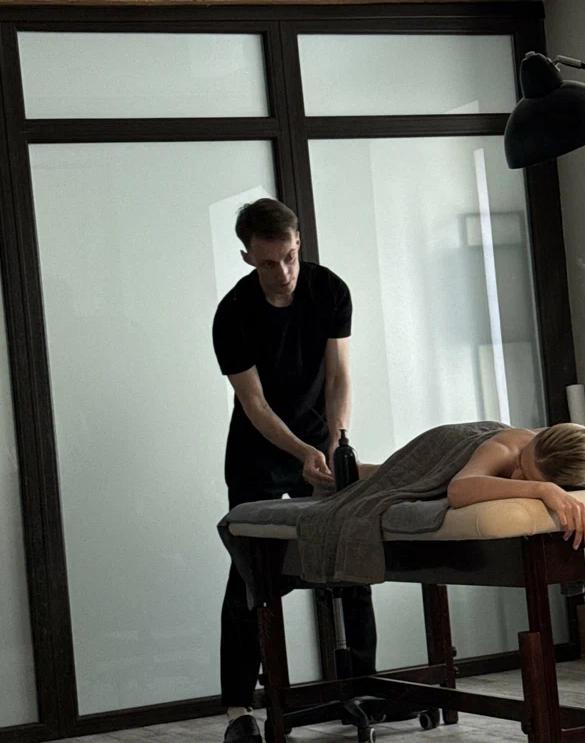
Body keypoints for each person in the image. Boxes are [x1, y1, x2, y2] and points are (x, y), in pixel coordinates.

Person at [212, 197, 376, 743]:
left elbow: (339, 376)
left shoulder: (330, 290)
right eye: (267, 262)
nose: (282, 272)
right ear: (246, 257)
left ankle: (364, 686)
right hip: (258, 451)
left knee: (352, 552)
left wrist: (335, 443)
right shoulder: (233, 314)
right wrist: (300, 451)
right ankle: (239, 709)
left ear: (298, 243)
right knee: (250, 577)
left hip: (323, 440)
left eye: (288, 257)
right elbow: (254, 404)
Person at [448, 422, 585, 551]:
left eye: (526, 477)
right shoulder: (504, 448)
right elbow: (457, 491)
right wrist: (540, 488)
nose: (515, 476)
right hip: (449, 443)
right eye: (519, 462)